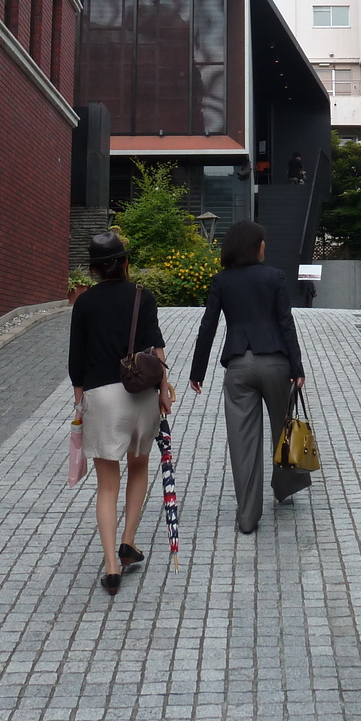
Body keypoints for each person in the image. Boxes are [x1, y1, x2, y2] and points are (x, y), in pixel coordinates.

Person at [69, 232, 171, 596]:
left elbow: (76, 360)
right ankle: (129, 542)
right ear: (125, 262)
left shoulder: (83, 303)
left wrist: (79, 403)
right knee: (139, 467)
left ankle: (111, 565)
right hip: (140, 394)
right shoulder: (143, 297)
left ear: (94, 268)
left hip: (101, 397)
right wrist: (163, 389)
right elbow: (155, 346)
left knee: (107, 485)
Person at [188, 219, 307, 534]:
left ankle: (247, 516)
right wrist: (297, 367)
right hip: (276, 365)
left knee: (243, 443)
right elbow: (286, 323)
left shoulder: (221, 281)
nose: (265, 246)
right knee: (284, 428)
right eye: (262, 241)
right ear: (254, 246)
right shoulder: (274, 277)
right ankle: (284, 488)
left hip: (239, 366)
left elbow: (208, 327)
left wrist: (196, 371)